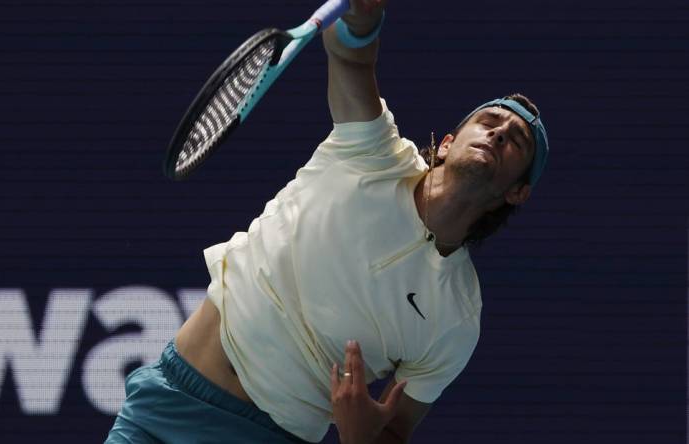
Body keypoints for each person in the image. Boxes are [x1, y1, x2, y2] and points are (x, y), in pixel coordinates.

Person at [104, 0, 549, 443]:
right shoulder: (372, 151)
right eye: (489, 121)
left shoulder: (455, 317)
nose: (498, 133)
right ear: (448, 143)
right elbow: (352, 58)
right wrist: (362, 21)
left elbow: (395, 429)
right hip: (164, 402)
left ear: (517, 192)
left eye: (516, 142)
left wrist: (359, 437)